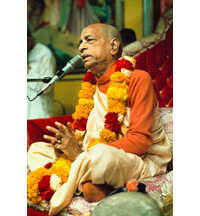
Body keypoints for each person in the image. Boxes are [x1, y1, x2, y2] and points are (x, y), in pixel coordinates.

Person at [28, 23, 171, 215]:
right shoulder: (90, 84)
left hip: (138, 158)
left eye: (89, 40)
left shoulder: (138, 78)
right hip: (93, 153)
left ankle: (81, 174)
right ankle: (87, 180)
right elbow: (88, 134)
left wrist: (79, 154)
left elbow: (141, 141)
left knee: (103, 156)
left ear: (112, 47)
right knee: (36, 150)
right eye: (80, 42)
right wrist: (67, 144)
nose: (81, 47)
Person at [27, 28, 56, 119]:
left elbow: (47, 88)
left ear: (28, 39)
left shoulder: (45, 54)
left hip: (38, 115)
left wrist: (27, 68)